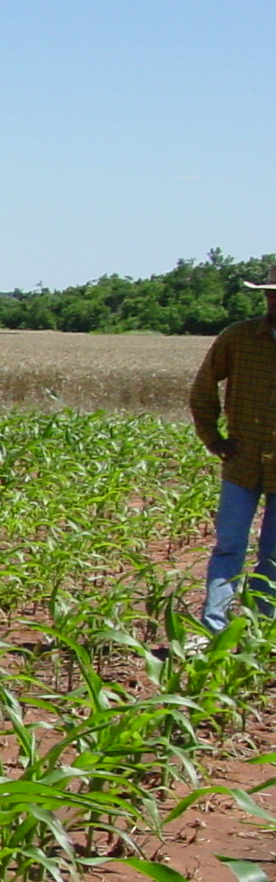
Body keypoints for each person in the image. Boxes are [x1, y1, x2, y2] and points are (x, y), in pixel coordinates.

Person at [190, 262, 276, 632]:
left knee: (273, 557)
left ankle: (260, 633)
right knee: (229, 548)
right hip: (242, 462)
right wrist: (213, 439)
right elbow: (203, 388)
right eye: (271, 294)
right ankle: (214, 629)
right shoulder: (239, 337)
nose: (274, 300)